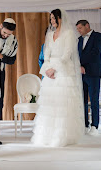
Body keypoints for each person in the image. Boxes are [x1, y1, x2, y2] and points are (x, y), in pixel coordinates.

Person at [31, 9, 84, 147]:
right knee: (50, 105)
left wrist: (55, 68)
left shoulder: (69, 34)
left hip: (64, 71)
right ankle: (47, 136)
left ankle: (61, 137)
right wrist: (48, 69)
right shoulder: (49, 34)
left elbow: (67, 54)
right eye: (51, 19)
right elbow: (46, 52)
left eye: (54, 18)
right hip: (49, 72)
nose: (52, 21)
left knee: (62, 105)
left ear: (61, 18)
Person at [76, 20, 101, 136]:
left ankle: (95, 126)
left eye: (80, 28)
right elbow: (76, 55)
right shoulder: (79, 40)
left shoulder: (98, 37)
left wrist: (82, 64)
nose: (78, 31)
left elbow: (96, 52)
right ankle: (85, 124)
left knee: (94, 100)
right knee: (82, 100)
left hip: (93, 73)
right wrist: (79, 66)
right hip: (81, 74)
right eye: (77, 29)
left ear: (87, 26)